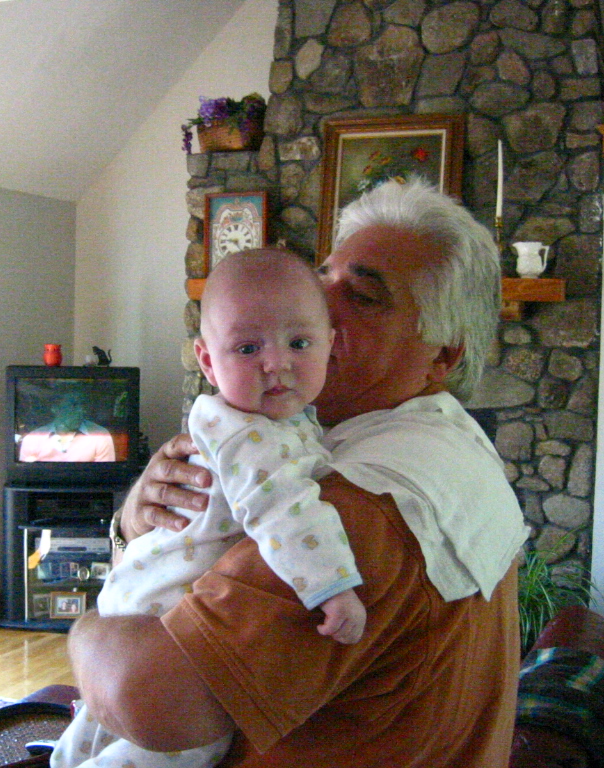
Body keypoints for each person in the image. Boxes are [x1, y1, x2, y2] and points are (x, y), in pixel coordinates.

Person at [65, 176, 530, 767]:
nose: (317, 307)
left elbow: (146, 699)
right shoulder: (444, 444)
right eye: (322, 279)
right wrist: (137, 521)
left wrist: (85, 629)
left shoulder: (359, 507)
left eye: (362, 296)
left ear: (443, 353)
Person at [52, 251, 367, 768]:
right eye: (247, 348)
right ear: (206, 361)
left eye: (298, 343)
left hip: (137, 594)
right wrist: (332, 587)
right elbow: (284, 510)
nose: (276, 363)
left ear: (329, 344)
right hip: (162, 610)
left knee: (95, 723)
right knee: (193, 744)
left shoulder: (268, 422)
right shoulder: (252, 436)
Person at [18, 391, 116, 462]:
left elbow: (105, 476)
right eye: (74, 405)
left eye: (83, 405)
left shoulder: (100, 436)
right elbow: (25, 477)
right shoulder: (33, 439)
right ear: (55, 408)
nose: (81, 410)